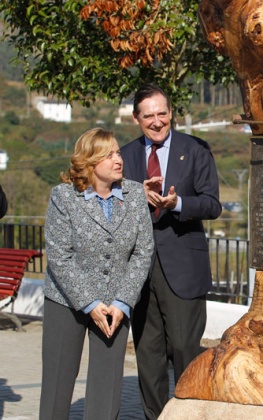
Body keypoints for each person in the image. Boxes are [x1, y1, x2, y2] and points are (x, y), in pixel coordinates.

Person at [120, 83, 222, 419]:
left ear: (171, 113)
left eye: (162, 113)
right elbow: (112, 204)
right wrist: (138, 196)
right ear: (137, 119)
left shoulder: (195, 150)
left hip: (183, 266)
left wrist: (178, 203)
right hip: (138, 270)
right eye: (148, 115)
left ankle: (188, 414)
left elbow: (212, 204)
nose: (157, 121)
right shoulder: (124, 156)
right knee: (147, 355)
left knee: (184, 349)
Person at [40, 128, 154, 420]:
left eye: (118, 152)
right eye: (109, 155)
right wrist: (89, 303)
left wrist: (123, 302)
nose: (119, 160)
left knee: (107, 388)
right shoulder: (63, 197)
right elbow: (59, 256)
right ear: (90, 163)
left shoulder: (134, 195)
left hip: (116, 305)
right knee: (58, 383)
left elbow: (142, 253)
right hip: (66, 300)